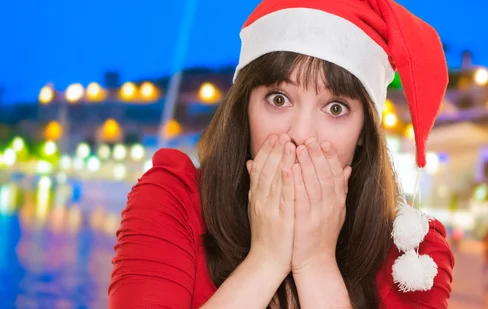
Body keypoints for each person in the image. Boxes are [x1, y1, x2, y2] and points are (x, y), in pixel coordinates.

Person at [108, 0, 455, 308]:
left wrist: (316, 264)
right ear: (245, 106)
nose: (301, 134)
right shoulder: (171, 202)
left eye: (335, 108)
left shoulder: (413, 259)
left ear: (364, 132)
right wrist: (266, 259)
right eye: (279, 99)